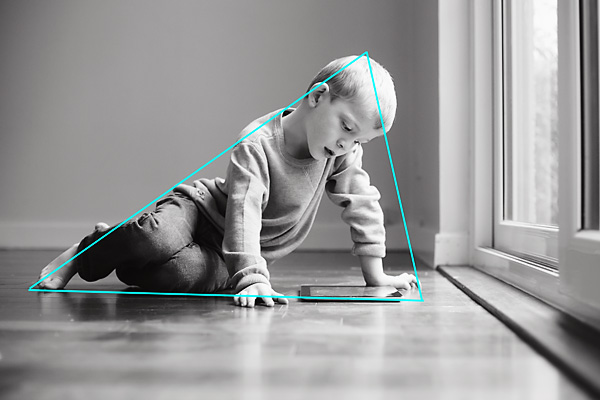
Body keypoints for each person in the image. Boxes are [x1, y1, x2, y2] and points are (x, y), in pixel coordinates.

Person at [36, 55, 418, 307]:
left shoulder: (340, 154)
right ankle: (87, 251)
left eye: (358, 140)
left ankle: (121, 246)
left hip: (230, 253)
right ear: (318, 96)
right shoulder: (258, 143)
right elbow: (244, 210)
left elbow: (362, 203)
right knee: (154, 236)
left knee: (178, 276)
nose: (346, 144)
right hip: (202, 212)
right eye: (346, 127)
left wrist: (376, 276)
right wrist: (252, 277)